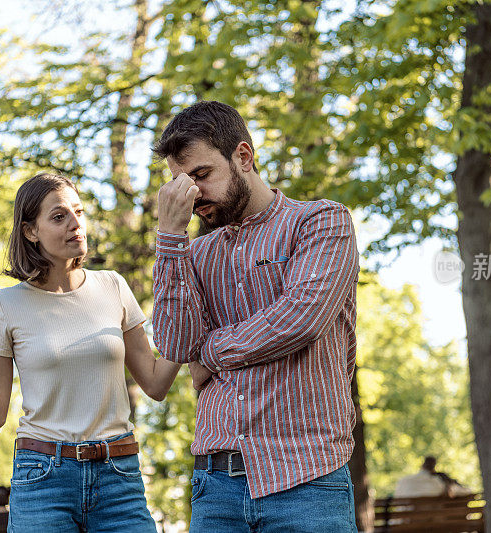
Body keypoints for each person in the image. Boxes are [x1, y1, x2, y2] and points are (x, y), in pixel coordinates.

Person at [0, 173, 181, 532]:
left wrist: (194, 330)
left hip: (118, 476)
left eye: (78, 212)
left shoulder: (113, 286)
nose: (75, 224)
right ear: (31, 231)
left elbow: (155, 383)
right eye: (59, 216)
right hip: (44, 478)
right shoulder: (5, 304)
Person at [151, 101, 360, 532]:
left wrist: (209, 353)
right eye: (179, 183)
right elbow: (174, 345)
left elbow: (298, 319)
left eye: (201, 176)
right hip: (215, 485)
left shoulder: (320, 222)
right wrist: (170, 236)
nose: (191, 195)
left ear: (243, 157)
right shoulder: (194, 253)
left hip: (307, 480)